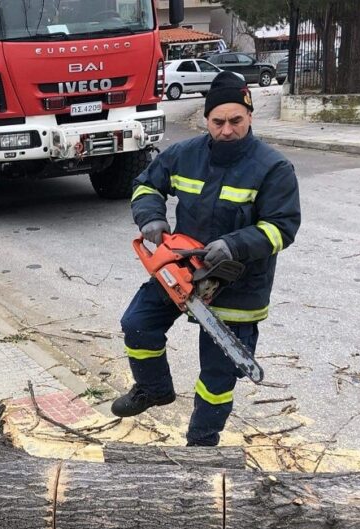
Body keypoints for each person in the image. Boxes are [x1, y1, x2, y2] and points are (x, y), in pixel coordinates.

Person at [112, 71, 301, 447]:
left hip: (239, 283)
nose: (227, 130)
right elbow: (146, 184)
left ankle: (202, 443)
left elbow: (283, 227)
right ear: (206, 120)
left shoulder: (273, 168)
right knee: (137, 324)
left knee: (217, 376)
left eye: (235, 121)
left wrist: (235, 245)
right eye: (218, 122)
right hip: (181, 269)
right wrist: (150, 216)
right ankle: (153, 389)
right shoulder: (185, 154)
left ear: (249, 117)